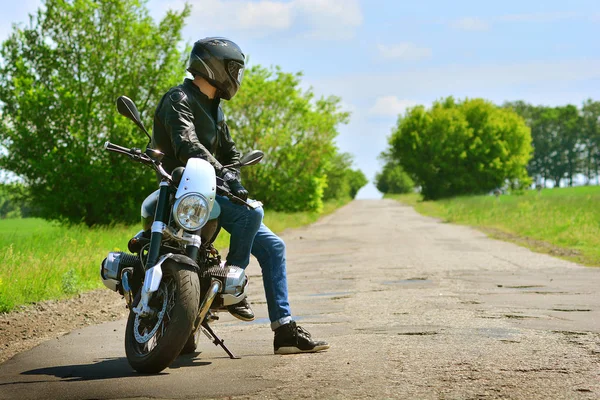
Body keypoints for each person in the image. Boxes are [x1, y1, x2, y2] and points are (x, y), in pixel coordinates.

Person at [151, 37, 329, 354]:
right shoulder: (177, 99)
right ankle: (231, 283)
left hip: (214, 194)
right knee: (251, 214)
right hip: (186, 193)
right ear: (215, 66)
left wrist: (233, 172)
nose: (236, 76)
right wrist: (224, 171)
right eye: (233, 68)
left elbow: (230, 153)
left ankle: (284, 331)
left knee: (274, 247)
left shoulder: (215, 109)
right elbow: (187, 144)